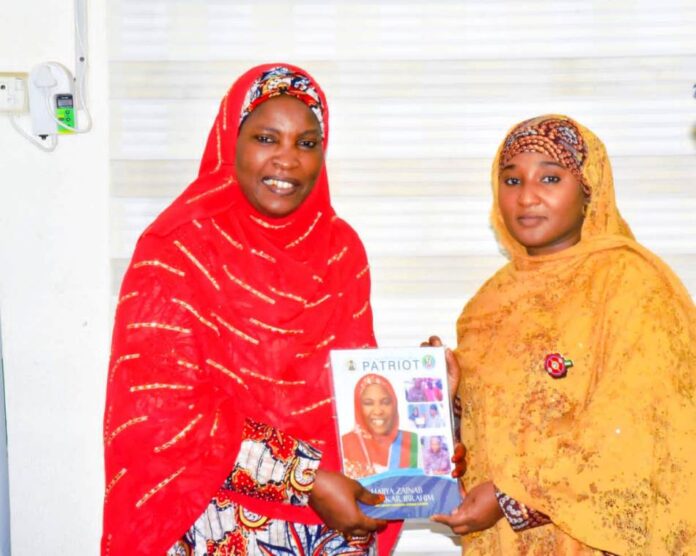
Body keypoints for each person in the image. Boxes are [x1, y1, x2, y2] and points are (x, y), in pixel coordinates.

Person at [101, 64, 404, 556]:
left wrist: (428, 417)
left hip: (333, 532)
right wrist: (304, 477)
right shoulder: (177, 250)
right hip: (213, 524)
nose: (287, 160)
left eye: (307, 144)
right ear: (230, 142)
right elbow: (160, 415)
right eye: (267, 138)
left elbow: (359, 395)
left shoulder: (340, 250)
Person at [427, 115, 695, 554]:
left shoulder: (633, 285)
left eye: (550, 178)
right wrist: (442, 402)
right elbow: (490, 438)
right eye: (511, 180)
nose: (527, 196)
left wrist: (512, 498)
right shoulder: (487, 305)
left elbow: (635, 433)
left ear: (588, 189)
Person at [341, 373, 419, 479]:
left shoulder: (413, 442)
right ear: (358, 407)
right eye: (368, 403)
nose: (378, 411)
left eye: (385, 402)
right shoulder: (344, 444)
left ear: (394, 404)